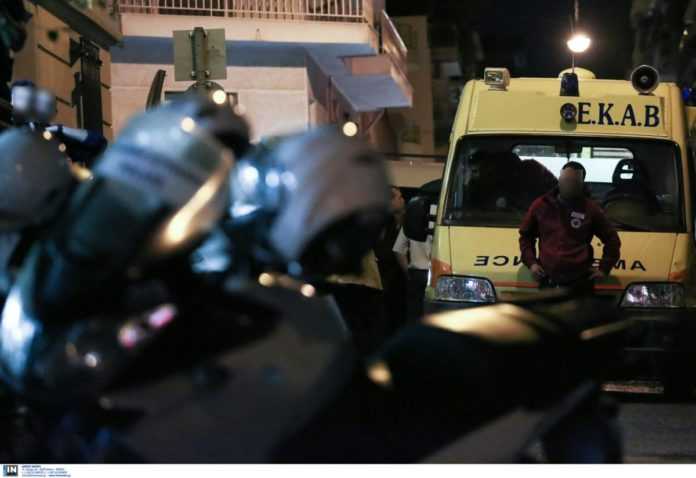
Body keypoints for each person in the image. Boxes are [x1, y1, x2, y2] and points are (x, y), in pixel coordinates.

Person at [519, 161, 622, 294]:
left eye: (574, 182)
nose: (568, 185)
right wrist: (532, 263)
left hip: (580, 282)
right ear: (559, 180)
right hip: (548, 280)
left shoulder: (590, 209)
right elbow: (526, 236)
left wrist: (604, 268)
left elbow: (612, 239)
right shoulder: (541, 205)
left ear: (581, 184)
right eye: (565, 180)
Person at [10, 81, 107, 167]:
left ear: (54, 113)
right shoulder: (18, 122)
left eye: (48, 105)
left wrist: (61, 129)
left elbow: (99, 143)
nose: (41, 107)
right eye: (38, 102)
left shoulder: (56, 136)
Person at [375, 186, 408, 334]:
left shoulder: (410, 220)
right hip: (386, 278)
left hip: (402, 279)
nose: (403, 200)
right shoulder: (382, 223)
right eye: (398, 198)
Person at [393, 225, 432, 322]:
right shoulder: (445, 219)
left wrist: (407, 272)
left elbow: (398, 250)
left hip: (416, 273)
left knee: (414, 314)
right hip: (439, 275)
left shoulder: (411, 221)